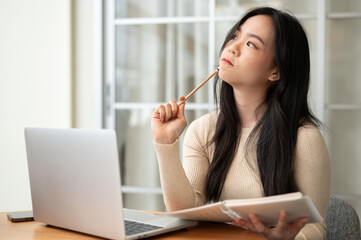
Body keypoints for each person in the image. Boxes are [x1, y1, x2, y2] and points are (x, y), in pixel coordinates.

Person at [151, 7, 330, 240]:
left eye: (251, 44)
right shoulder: (202, 130)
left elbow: (316, 228)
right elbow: (184, 212)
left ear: (275, 72)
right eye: (236, 36)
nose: (231, 47)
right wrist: (165, 143)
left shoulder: (304, 137)